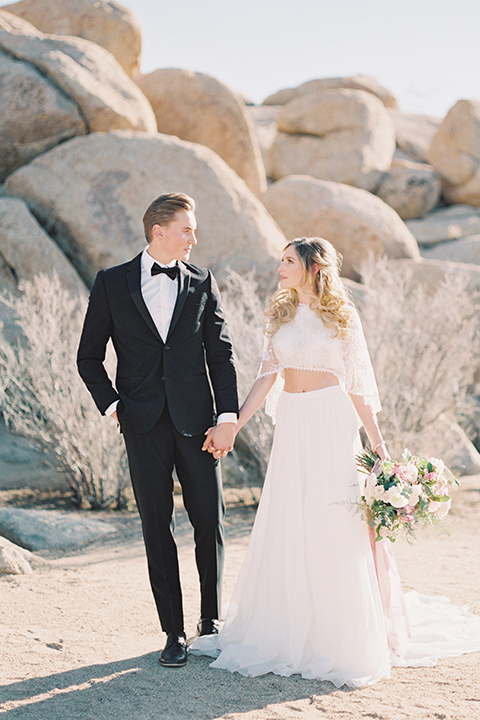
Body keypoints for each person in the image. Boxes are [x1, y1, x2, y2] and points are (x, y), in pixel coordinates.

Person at [192, 237, 480, 687]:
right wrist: (234, 424)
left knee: (332, 518)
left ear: (312, 266)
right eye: (281, 259)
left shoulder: (343, 318)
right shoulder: (280, 315)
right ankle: (286, 627)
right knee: (292, 516)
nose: (280, 266)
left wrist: (380, 446)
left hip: (331, 421)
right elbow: (266, 378)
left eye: (288, 260)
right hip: (292, 423)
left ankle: (336, 634)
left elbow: (359, 389)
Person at [77, 193, 238, 668]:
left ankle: (211, 623)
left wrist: (227, 417)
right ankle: (174, 632)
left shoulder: (203, 281)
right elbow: (88, 356)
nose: (194, 238)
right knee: (156, 527)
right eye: (187, 229)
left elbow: (221, 355)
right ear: (158, 231)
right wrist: (113, 408)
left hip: (199, 425)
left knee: (209, 521)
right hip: (141, 425)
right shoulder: (112, 283)